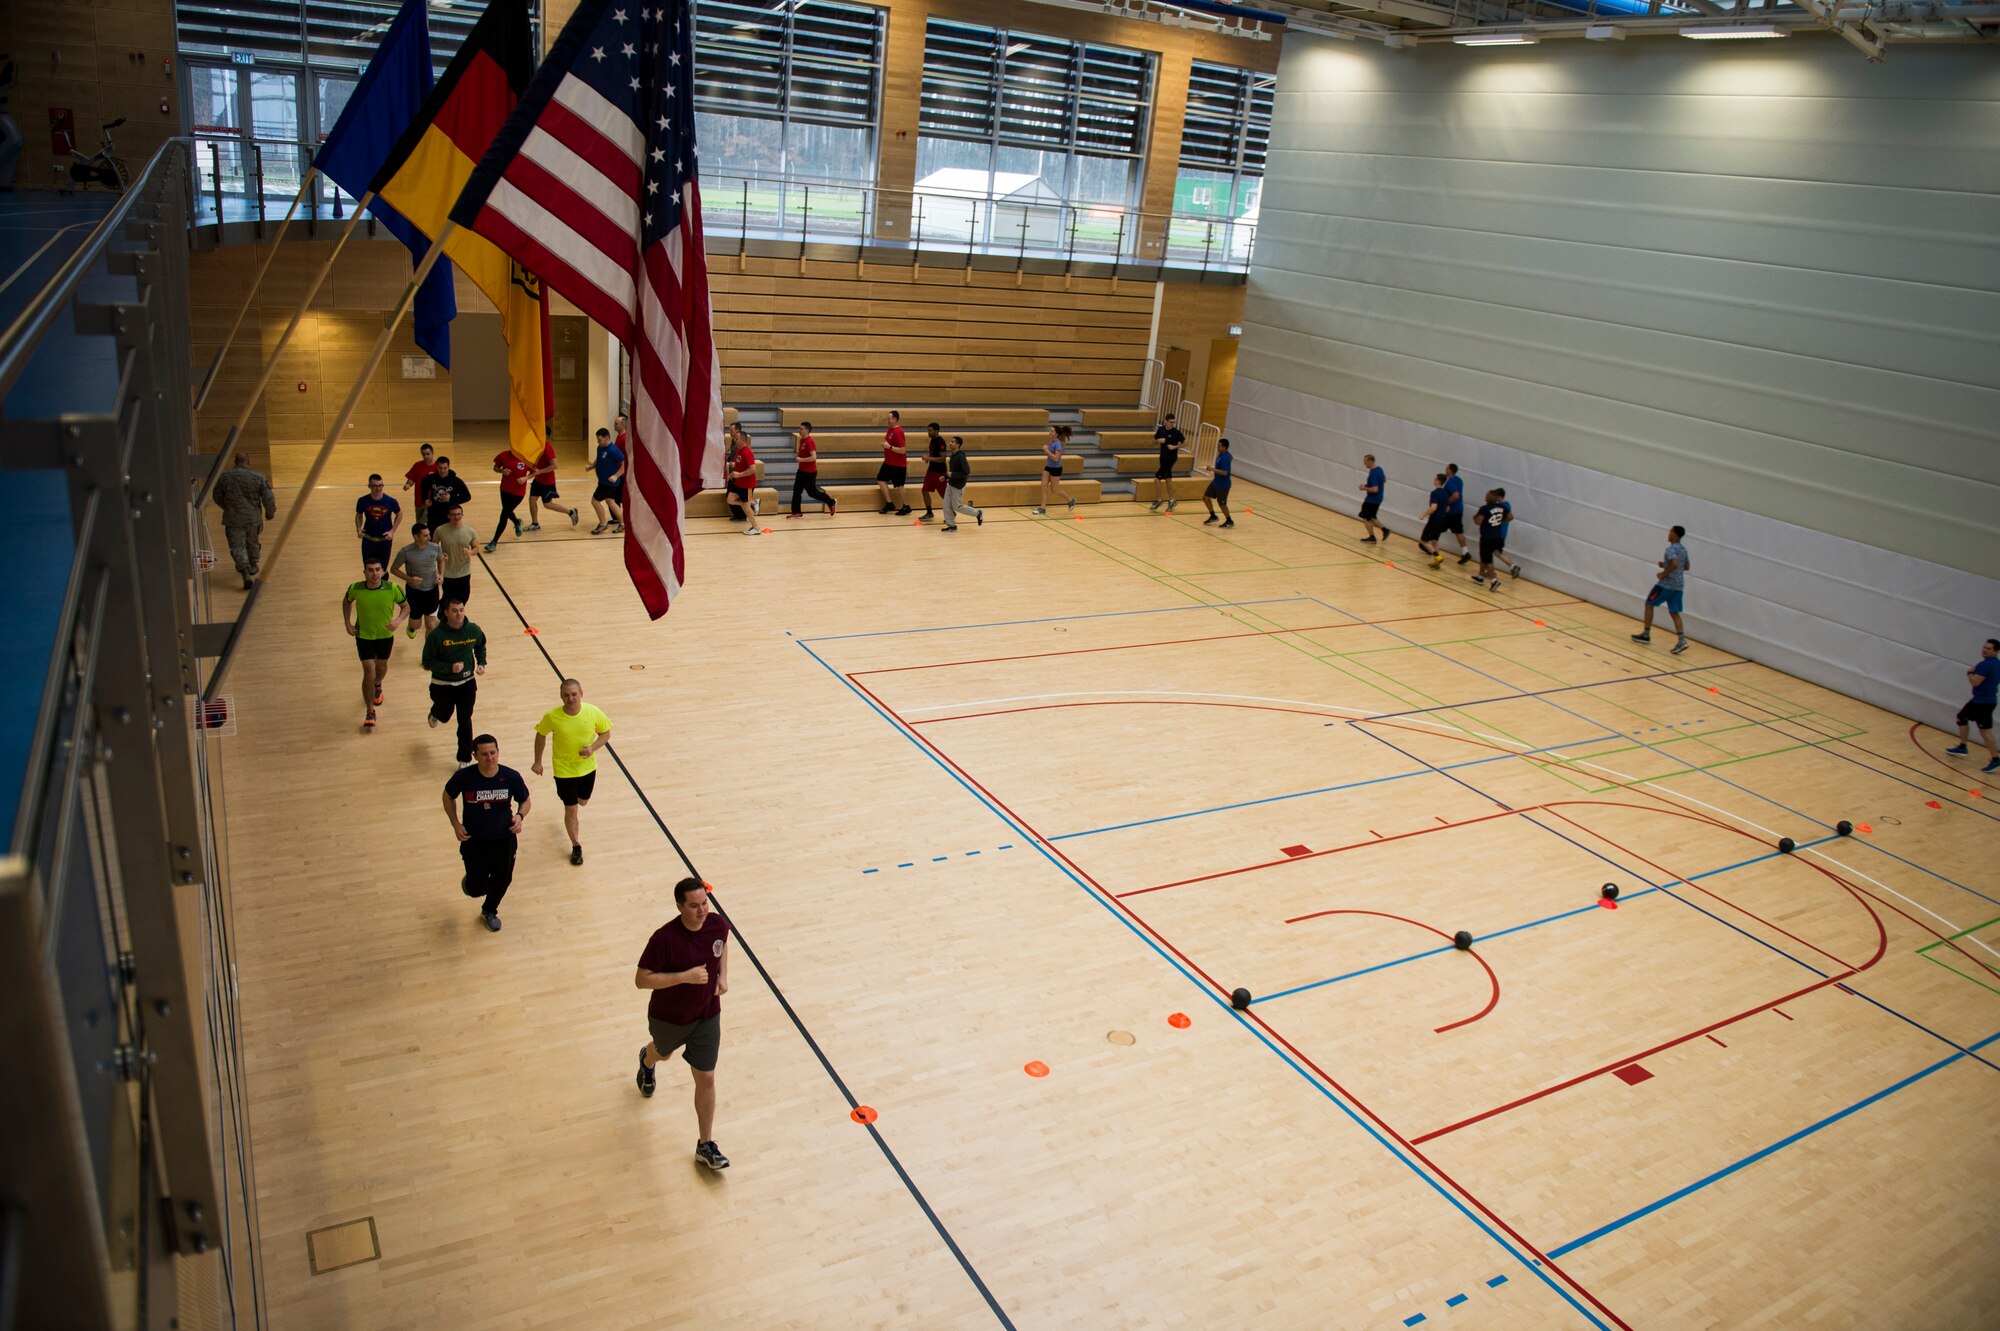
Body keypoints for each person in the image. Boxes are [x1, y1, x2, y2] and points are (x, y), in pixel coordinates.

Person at [634, 877, 732, 1171]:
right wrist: (683, 977)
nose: (702, 910)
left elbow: (722, 942)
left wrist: (722, 975)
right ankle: (647, 1059)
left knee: (707, 1078)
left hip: (707, 1015)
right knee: (663, 1054)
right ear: (679, 907)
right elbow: (641, 980)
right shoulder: (664, 939)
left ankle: (705, 1145)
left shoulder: (717, 924)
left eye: (705, 903)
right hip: (670, 1018)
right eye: (694, 906)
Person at [442, 735, 530, 933]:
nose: (490, 757)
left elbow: (525, 800)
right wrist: (455, 824)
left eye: (493, 753)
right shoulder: (465, 777)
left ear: (498, 752)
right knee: (476, 888)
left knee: (503, 879)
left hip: (504, 840)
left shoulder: (511, 777)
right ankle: (473, 884)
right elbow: (447, 795)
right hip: (474, 842)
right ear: (475, 755)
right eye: (484, 754)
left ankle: (489, 910)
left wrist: (519, 816)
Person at [532, 679, 612, 864]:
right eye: (566, 695)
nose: (570, 698)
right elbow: (540, 735)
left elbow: (606, 733)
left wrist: (592, 748)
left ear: (581, 694)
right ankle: (576, 846)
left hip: (587, 768)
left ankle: (575, 800)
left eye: (574, 694)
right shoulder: (552, 716)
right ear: (561, 696)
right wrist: (537, 761)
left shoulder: (593, 712)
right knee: (571, 809)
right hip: (564, 770)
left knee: (582, 802)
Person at [342, 559, 408, 729]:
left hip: (385, 636)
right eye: (370, 570)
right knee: (368, 672)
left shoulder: (392, 589)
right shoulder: (355, 588)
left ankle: (378, 685)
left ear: (383, 571)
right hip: (364, 636)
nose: (375, 573)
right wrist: (347, 623)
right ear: (364, 572)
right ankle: (370, 710)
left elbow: (406, 607)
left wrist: (398, 621)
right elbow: (347, 601)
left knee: (381, 667)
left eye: (378, 570)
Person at [424, 599, 487, 764]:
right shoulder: (436, 636)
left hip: (467, 683)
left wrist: (481, 663)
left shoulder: (473, 630)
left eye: (461, 610)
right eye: (454, 611)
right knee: (444, 716)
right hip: (442, 685)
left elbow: (481, 645)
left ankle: (464, 758)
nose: (459, 614)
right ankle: (435, 713)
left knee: (465, 721)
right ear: (446, 613)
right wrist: (449, 668)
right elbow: (427, 661)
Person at [211, 453, 276, 589]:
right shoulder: (258, 477)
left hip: (233, 519)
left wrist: (227, 507)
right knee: (252, 542)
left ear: (235, 462)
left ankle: (245, 572)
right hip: (253, 518)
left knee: (237, 546)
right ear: (248, 462)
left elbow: (216, 496)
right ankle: (253, 564)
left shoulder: (225, 478)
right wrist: (270, 513)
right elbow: (268, 497)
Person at [1631, 525, 1692, 655]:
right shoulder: (1683, 549)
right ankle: (1682, 640)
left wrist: (1664, 573)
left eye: (1670, 532)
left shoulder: (1671, 549)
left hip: (1665, 585)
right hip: (1678, 586)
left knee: (1649, 604)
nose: (1668, 534)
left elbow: (1675, 564)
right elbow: (1685, 566)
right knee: (1674, 613)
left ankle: (1646, 634)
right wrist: (1665, 564)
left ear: (1675, 534)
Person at [1945, 639, 2000, 773]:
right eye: (1984, 647)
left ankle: (1995, 759)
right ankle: (1963, 747)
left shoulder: (1984, 665)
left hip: (1982, 702)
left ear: (1995, 651)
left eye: (1988, 649)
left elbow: (1975, 682)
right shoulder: (1996, 664)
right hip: (1986, 700)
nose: (1984, 650)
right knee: (1963, 718)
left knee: (1983, 730)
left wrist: (1970, 673)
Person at [390, 522, 443, 641]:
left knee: (431, 625)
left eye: (429, 534)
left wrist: (441, 574)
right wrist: (410, 579)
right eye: (425, 536)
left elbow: (441, 560)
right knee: (416, 624)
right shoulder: (405, 552)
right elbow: (393, 569)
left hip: (432, 590)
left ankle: (428, 654)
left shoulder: (435, 548)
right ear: (416, 536)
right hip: (414, 592)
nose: (429, 538)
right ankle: (411, 626)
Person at [1469, 488, 1520, 590]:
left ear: (1488, 498)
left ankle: (1494, 580)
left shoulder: (1484, 508)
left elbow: (1478, 522)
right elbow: (1510, 517)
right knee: (1486, 556)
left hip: (1487, 536)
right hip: (1497, 535)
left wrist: (1475, 517)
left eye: (1486, 495)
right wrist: (1500, 521)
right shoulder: (1502, 507)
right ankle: (1480, 577)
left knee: (1487, 559)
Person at [486, 447, 532, 552]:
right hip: (505, 490)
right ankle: (517, 522)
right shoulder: (504, 455)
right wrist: (502, 470)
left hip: (518, 493)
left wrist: (525, 478)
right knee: (506, 510)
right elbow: (495, 467)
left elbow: (535, 471)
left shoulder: (526, 457)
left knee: (504, 514)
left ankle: (494, 541)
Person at [526, 440, 580, 531]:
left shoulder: (547, 448)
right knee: (532, 500)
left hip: (547, 482)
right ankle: (535, 524)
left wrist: (540, 471)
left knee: (547, 504)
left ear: (545, 436)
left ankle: (571, 512)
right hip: (538, 480)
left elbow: (555, 466)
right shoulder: (537, 446)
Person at [787, 422, 836, 518]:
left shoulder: (809, 441)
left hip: (809, 473)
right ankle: (796, 512)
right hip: (801, 471)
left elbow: (814, 457)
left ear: (807, 430)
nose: (799, 430)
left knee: (812, 493)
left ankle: (831, 502)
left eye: (801, 429)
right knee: (796, 491)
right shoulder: (801, 440)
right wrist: (799, 455)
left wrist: (801, 459)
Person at [354, 475, 402, 571]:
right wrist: (358, 529)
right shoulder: (362, 501)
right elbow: (359, 515)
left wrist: (392, 531)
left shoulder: (391, 501)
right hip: (368, 539)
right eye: (375, 486)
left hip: (384, 541)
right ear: (369, 486)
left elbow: (399, 514)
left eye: (380, 485)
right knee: (368, 568)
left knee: (382, 569)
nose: (378, 488)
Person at [435, 503, 478, 608]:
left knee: (464, 598)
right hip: (447, 572)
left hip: (464, 572)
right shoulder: (440, 530)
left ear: (462, 515)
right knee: (449, 599)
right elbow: (433, 547)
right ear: (448, 516)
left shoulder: (470, 531)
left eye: (459, 514)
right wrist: (440, 555)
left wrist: (470, 552)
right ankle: (444, 617)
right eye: (453, 514)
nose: (456, 517)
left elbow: (476, 548)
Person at [941, 435, 984, 532]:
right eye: (950, 441)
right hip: (950, 484)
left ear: (958, 444)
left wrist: (952, 474)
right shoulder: (953, 455)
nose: (950, 443)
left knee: (957, 506)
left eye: (952, 442)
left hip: (958, 485)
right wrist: (946, 477)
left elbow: (966, 472)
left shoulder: (960, 456)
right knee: (946, 505)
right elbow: (953, 471)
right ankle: (952, 526)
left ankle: (977, 513)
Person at [420, 455, 471, 534]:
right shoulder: (430, 479)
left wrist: (450, 499)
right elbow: (423, 487)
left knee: (449, 539)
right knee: (433, 539)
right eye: (440, 468)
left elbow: (467, 497)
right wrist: (425, 499)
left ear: (449, 467)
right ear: (436, 467)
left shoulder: (456, 481)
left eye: (445, 468)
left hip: (449, 515)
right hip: (434, 514)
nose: (442, 470)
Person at [725, 425, 762, 534]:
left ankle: (756, 528)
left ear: (743, 440)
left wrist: (739, 474)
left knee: (745, 507)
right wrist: (734, 471)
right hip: (738, 483)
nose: (735, 440)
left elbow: (753, 469)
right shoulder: (739, 451)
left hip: (747, 484)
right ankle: (752, 502)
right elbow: (741, 464)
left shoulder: (747, 452)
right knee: (730, 499)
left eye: (737, 439)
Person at [590, 427, 626, 534]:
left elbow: (625, 464)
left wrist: (616, 475)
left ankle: (602, 524)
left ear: (606, 438)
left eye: (600, 439)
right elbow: (599, 460)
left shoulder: (613, 450)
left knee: (595, 501)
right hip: (603, 481)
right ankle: (623, 524)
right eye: (597, 439)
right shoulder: (600, 448)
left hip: (609, 483)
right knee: (611, 502)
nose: (598, 441)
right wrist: (592, 466)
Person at [1035, 424, 1075, 515]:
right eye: (1050, 430)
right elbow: (1050, 455)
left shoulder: (1058, 444)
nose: (1050, 432)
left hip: (1056, 469)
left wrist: (1047, 451)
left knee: (1054, 490)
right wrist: (1047, 451)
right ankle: (1042, 508)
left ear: (1056, 434)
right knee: (1043, 486)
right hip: (1048, 467)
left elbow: (1056, 458)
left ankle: (1070, 500)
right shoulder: (1051, 441)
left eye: (1052, 431)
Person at [876, 410, 910, 515]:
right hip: (888, 462)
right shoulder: (890, 429)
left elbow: (902, 450)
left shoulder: (898, 431)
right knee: (881, 479)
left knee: (899, 485)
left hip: (898, 464)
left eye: (889, 418)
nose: (888, 420)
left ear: (895, 419)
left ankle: (906, 506)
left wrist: (889, 447)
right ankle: (889, 503)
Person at [1417, 473, 1453, 567]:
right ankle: (1437, 563)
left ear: (1438, 481)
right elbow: (1447, 508)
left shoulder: (1435, 493)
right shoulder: (1446, 493)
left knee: (1423, 540)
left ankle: (1437, 556)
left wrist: (1423, 515)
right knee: (1434, 540)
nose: (1434, 480)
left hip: (1435, 519)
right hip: (1443, 519)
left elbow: (1433, 507)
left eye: (1435, 479)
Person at [1150, 414, 1184, 511]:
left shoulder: (1176, 433)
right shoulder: (1161, 430)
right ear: (1165, 421)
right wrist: (1158, 441)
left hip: (1171, 458)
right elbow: (1154, 441)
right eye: (1171, 422)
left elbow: (1185, 443)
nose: (1172, 424)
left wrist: (1174, 447)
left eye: (1174, 422)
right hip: (1163, 457)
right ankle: (1172, 500)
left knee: (1157, 478)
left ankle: (1158, 499)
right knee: (1168, 478)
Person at [917, 422, 950, 522]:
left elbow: (943, 459)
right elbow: (933, 454)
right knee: (924, 491)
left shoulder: (941, 442)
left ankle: (951, 512)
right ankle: (929, 512)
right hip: (931, 471)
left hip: (939, 473)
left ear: (936, 431)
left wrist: (929, 458)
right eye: (928, 430)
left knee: (944, 495)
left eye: (930, 430)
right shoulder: (932, 440)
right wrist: (928, 459)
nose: (928, 432)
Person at [1202, 437, 1235, 528]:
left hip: (1223, 486)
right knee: (1205, 498)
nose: (1218, 447)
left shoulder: (1225, 458)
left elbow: (1225, 473)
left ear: (1225, 447)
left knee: (1222, 504)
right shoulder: (1223, 454)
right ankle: (1213, 516)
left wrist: (1212, 469)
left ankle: (1229, 521)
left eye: (1219, 446)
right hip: (1216, 482)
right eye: (1218, 445)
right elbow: (1231, 457)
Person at [1358, 453, 1388, 544]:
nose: (1364, 464)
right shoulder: (1379, 469)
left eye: (1365, 462)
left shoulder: (1373, 473)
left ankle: (1373, 536)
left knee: (1365, 516)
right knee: (1371, 516)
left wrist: (1364, 488)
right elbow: (1384, 480)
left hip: (1372, 499)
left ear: (1370, 461)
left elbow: (1375, 489)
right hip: (1378, 498)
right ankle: (1384, 531)